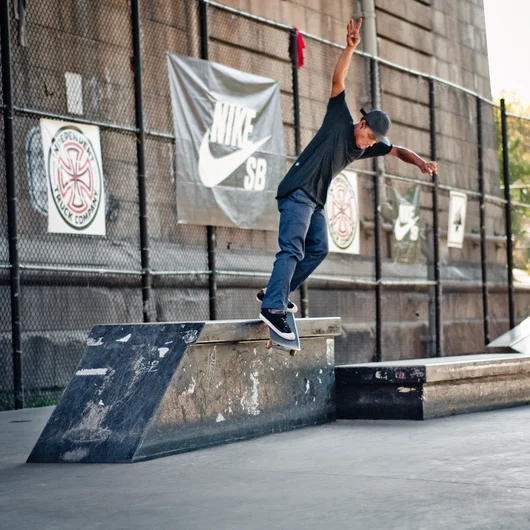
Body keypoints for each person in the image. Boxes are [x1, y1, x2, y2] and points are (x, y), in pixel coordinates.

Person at [258, 18, 437, 340]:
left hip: (314, 201)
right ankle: (272, 307)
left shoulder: (368, 147)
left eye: (374, 140)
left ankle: (276, 291)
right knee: (292, 249)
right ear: (362, 122)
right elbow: (337, 79)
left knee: (318, 249)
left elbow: (398, 151)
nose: (370, 142)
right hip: (297, 191)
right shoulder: (339, 119)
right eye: (369, 134)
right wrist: (351, 47)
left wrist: (420, 163)